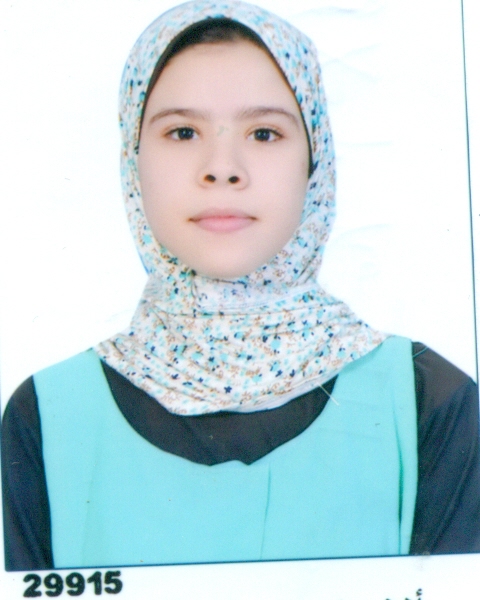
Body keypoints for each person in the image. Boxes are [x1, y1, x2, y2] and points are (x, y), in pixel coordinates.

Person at [2, 0, 479, 571]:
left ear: (315, 160)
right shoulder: (47, 416)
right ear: (133, 160)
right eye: (182, 131)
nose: (223, 167)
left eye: (264, 132)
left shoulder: (427, 401)